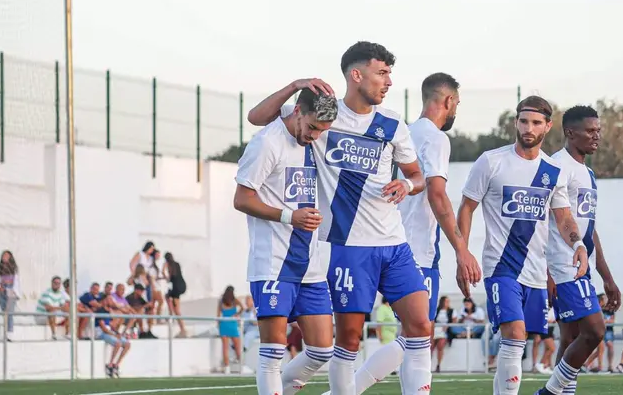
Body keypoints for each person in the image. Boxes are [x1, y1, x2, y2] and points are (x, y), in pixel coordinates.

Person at [247, 42, 434, 395]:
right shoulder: (322, 116)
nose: (388, 82)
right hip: (346, 246)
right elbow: (258, 118)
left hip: (393, 243)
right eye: (382, 73)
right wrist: (293, 85)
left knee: (421, 324)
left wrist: (407, 184)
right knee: (347, 338)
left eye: (390, 74)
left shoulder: (393, 123)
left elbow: (418, 175)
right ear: (356, 74)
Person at [343, 72, 481, 394]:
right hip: (416, 251)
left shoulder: (403, 131)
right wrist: (462, 250)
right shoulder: (435, 137)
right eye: (456, 103)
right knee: (418, 336)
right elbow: (436, 194)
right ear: (448, 101)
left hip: (386, 242)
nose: (456, 110)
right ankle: (342, 391)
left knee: (415, 335)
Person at [457, 95, 589, 395]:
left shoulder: (551, 171)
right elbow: (466, 208)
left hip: (535, 273)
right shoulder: (491, 161)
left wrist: (578, 244)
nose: (528, 128)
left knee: (519, 342)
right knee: (514, 335)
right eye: (523, 121)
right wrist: (462, 253)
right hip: (500, 268)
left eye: (536, 123)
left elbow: (564, 217)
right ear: (516, 122)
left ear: (548, 126)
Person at [234, 87, 338, 395]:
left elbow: (256, 114)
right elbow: (241, 199)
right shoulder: (268, 143)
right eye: (312, 127)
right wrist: (288, 216)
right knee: (273, 353)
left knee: (322, 350)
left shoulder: (311, 140)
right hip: (273, 262)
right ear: (297, 112)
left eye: (322, 130)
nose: (315, 136)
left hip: (310, 263)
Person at [536, 105, 621, 395]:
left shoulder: (588, 173)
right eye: (590, 131)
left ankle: (559, 394)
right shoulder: (556, 167)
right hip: (562, 265)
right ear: (570, 133)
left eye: (598, 130)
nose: (596, 136)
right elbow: (543, 220)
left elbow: (588, 229)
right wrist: (545, 270)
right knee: (595, 331)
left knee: (570, 336)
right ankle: (548, 394)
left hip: (582, 267)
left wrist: (606, 277)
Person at [217, 285, 246, 374]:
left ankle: (227, 367)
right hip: (232, 324)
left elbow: (218, 315)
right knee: (238, 347)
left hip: (224, 324)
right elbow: (242, 308)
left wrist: (218, 326)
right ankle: (241, 365)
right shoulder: (234, 300)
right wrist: (237, 314)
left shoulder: (221, 301)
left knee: (225, 348)